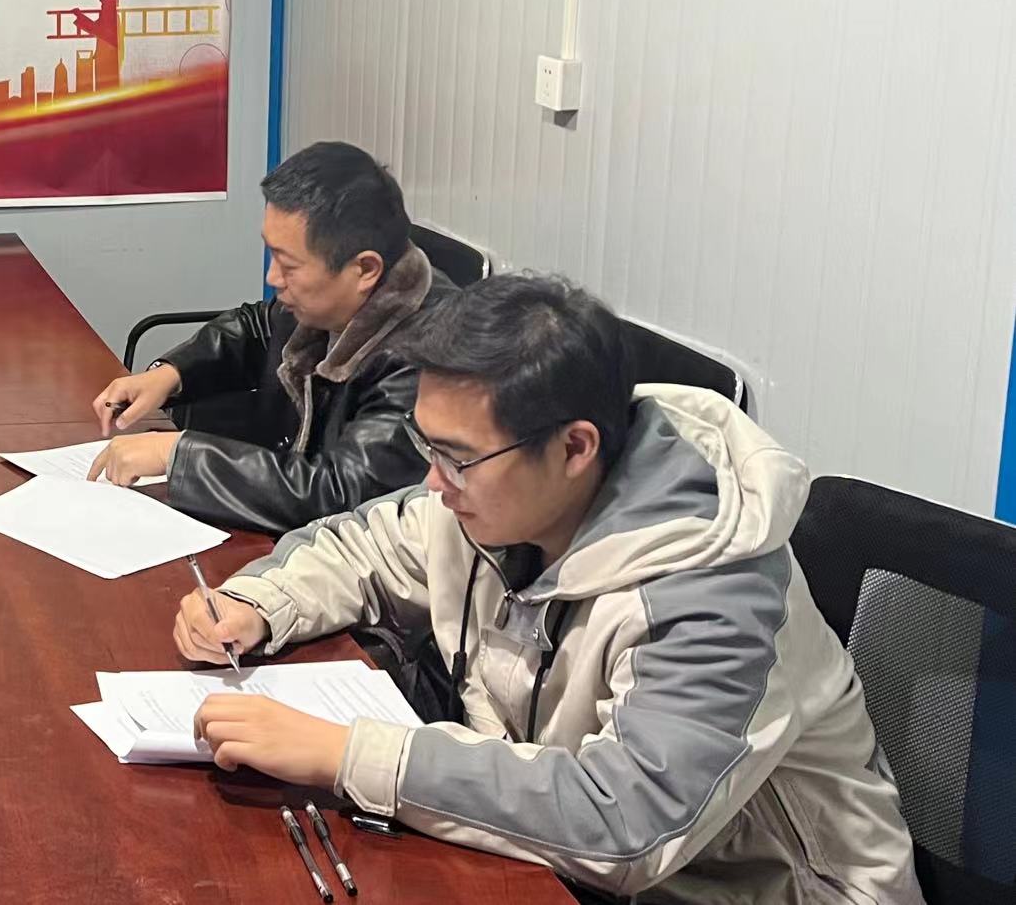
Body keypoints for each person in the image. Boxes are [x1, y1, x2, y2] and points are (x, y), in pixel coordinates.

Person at [173, 274, 922, 905]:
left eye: (456, 457)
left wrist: (349, 755)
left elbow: (627, 819)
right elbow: (366, 543)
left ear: (574, 448)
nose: (432, 480)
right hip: (571, 870)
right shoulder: (498, 498)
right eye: (426, 444)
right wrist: (256, 603)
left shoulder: (715, 589)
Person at [86, 141, 450, 533]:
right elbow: (259, 327)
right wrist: (170, 374)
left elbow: (342, 494)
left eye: (288, 264)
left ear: (364, 269)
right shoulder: (326, 299)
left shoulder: (428, 356)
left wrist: (177, 454)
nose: (272, 277)